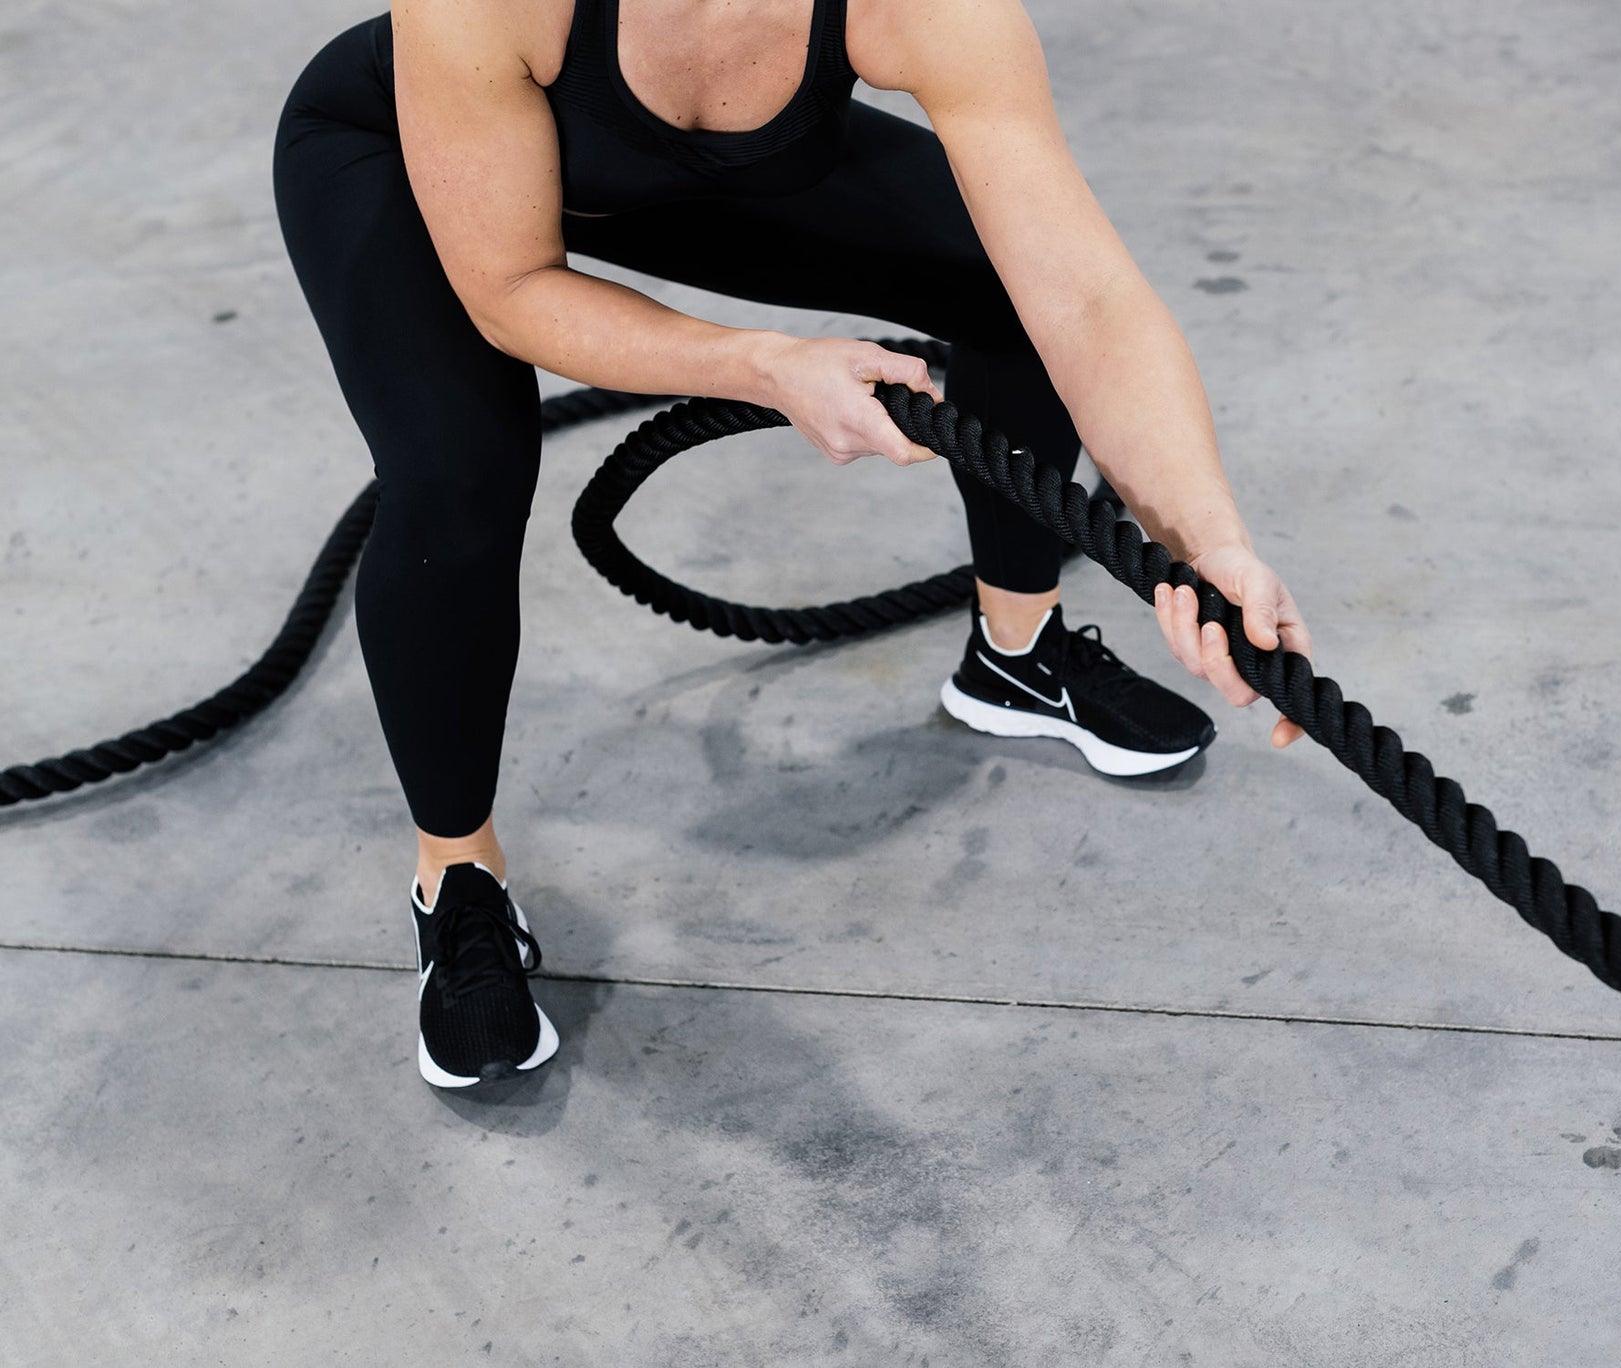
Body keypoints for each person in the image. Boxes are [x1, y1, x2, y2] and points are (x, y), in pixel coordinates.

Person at [272, 0, 1311, 1090]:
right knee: (457, 478)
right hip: (403, 155)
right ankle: (458, 884)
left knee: (1009, 281)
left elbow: (1086, 301)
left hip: (671, 174)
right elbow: (514, 289)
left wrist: (1208, 542)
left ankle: (1018, 654)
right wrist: (765, 363)